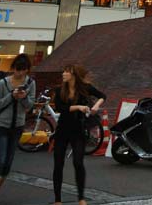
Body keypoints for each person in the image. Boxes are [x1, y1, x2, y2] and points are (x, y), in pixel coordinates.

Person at [52, 65, 105, 205]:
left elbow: (102, 96)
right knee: (58, 163)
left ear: (73, 75)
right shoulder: (59, 90)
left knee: (78, 162)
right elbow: (59, 108)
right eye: (63, 71)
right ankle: (57, 200)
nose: (63, 74)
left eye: (66, 72)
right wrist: (78, 107)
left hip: (78, 130)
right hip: (62, 130)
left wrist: (96, 106)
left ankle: (81, 198)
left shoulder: (85, 88)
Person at [0, 54, 35, 205]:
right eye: (17, 70)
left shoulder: (30, 83)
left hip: (17, 127)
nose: (19, 73)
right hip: (1, 126)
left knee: (8, 163)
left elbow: (29, 106)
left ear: (27, 71)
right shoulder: (3, 83)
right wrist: (11, 96)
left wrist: (23, 97)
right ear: (13, 68)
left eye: (23, 71)